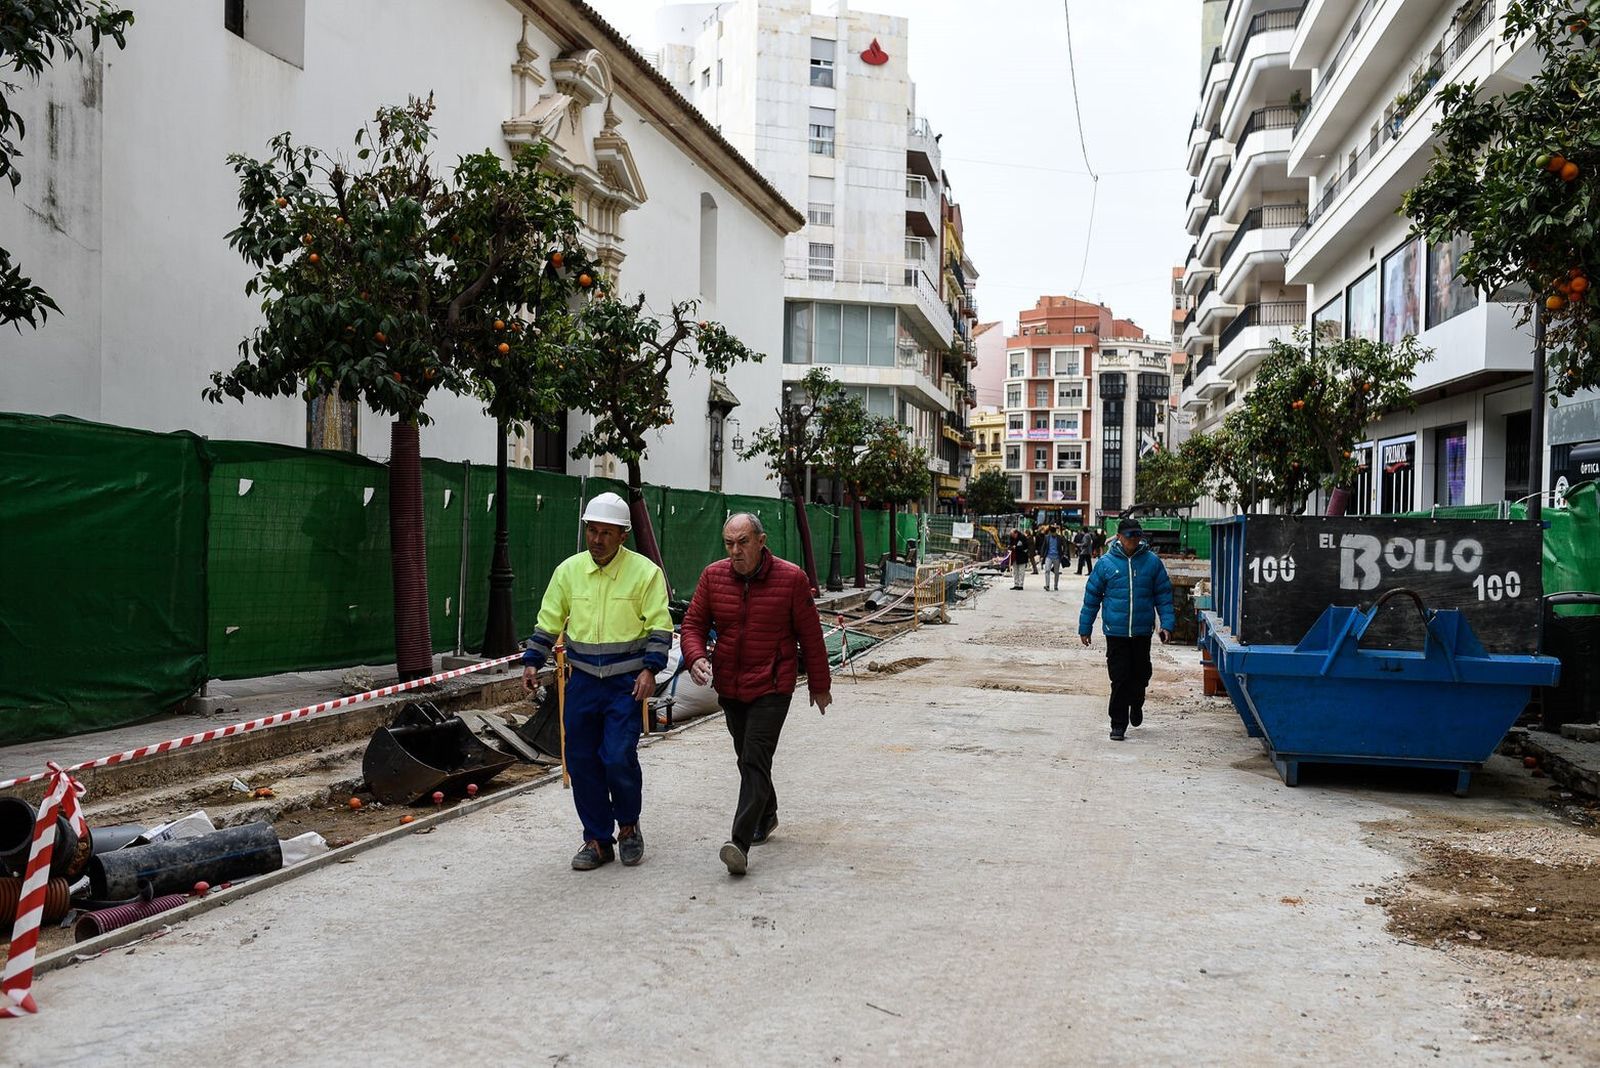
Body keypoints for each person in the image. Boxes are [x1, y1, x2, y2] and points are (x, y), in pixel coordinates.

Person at [522, 492, 672, 871]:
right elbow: (550, 619)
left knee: (618, 756)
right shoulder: (569, 572)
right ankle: (597, 839)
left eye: (607, 532)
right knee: (582, 760)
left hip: (625, 684)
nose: (598, 539)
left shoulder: (645, 573)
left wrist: (650, 669)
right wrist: (532, 661)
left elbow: (659, 625)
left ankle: (628, 827)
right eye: (592, 531)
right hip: (583, 683)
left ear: (623, 536)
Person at [681, 513, 832, 876]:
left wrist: (819, 684)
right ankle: (768, 812)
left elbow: (810, 635)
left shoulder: (792, 578)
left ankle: (739, 842)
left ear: (761, 541)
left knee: (753, 759)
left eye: (743, 542)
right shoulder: (713, 577)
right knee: (748, 759)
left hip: (773, 685)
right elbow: (693, 624)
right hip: (731, 686)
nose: (735, 551)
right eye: (729, 544)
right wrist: (696, 656)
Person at [1079, 518, 1176, 741]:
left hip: (1142, 631)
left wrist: (1167, 625)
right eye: (1129, 535)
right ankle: (1118, 723)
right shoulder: (1105, 564)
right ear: (1120, 537)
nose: (1134, 539)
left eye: (1137, 535)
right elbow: (1092, 597)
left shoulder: (1152, 562)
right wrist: (1085, 627)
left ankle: (1137, 702)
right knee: (1119, 678)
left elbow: (1163, 595)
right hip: (1116, 631)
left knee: (1141, 674)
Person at [1041, 525, 1064, 591]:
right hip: (1048, 556)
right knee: (1047, 570)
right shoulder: (1047, 537)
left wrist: (1064, 554)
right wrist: (1042, 555)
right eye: (1051, 533)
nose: (1053, 534)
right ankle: (1047, 585)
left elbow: (1064, 545)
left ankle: (1055, 585)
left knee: (1056, 572)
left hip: (1057, 557)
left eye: (1054, 533)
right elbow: (1044, 546)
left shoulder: (1059, 538)